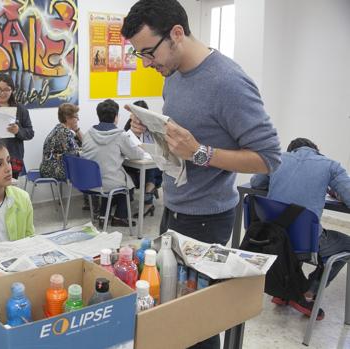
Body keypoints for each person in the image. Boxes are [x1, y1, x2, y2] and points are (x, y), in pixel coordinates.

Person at [121, 1, 281, 348]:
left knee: (198, 321)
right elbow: (179, 138)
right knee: (173, 311)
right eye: (140, 56)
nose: (147, 63)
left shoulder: (229, 82)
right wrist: (148, 128)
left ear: (176, 34)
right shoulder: (173, 77)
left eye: (149, 52)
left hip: (207, 219)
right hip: (175, 208)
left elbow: (269, 159)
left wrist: (201, 152)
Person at [250, 138, 350, 320]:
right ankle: (308, 292)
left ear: (291, 151)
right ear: (316, 150)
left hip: (271, 238)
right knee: (345, 244)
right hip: (305, 242)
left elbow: (256, 183)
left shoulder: (276, 159)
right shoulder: (330, 165)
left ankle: (283, 291)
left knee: (293, 230)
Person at [81, 99, 145, 227]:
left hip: (89, 182)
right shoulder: (120, 135)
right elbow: (137, 154)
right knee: (129, 180)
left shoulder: (88, 134)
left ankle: (103, 216)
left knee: (110, 176)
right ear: (116, 117)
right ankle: (120, 217)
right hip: (108, 183)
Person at [123, 99, 163, 217]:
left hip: (153, 167)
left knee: (149, 169)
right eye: (135, 115)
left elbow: (157, 151)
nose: (138, 120)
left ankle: (148, 203)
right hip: (133, 167)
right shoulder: (128, 129)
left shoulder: (153, 130)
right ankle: (147, 195)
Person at [39, 103, 82, 181]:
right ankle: (93, 191)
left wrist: (77, 130)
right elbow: (76, 155)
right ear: (68, 118)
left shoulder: (59, 128)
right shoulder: (64, 133)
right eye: (76, 117)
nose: (78, 120)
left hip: (47, 169)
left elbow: (83, 142)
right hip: (53, 171)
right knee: (89, 169)